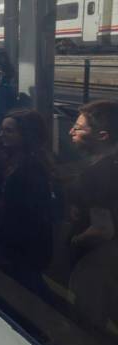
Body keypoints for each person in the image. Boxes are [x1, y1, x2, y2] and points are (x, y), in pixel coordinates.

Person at [0, 109, 54, 300]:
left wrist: (1, 204)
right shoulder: (9, 159)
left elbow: (30, 213)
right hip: (9, 243)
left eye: (9, 131)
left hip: (23, 248)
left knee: (27, 290)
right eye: (1, 129)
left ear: (26, 135)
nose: (1, 134)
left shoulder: (34, 169)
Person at [66, 100, 118, 328]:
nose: (71, 131)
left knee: (88, 321)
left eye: (78, 128)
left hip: (97, 262)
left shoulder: (96, 174)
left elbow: (103, 229)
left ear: (102, 136)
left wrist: (75, 241)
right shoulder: (110, 165)